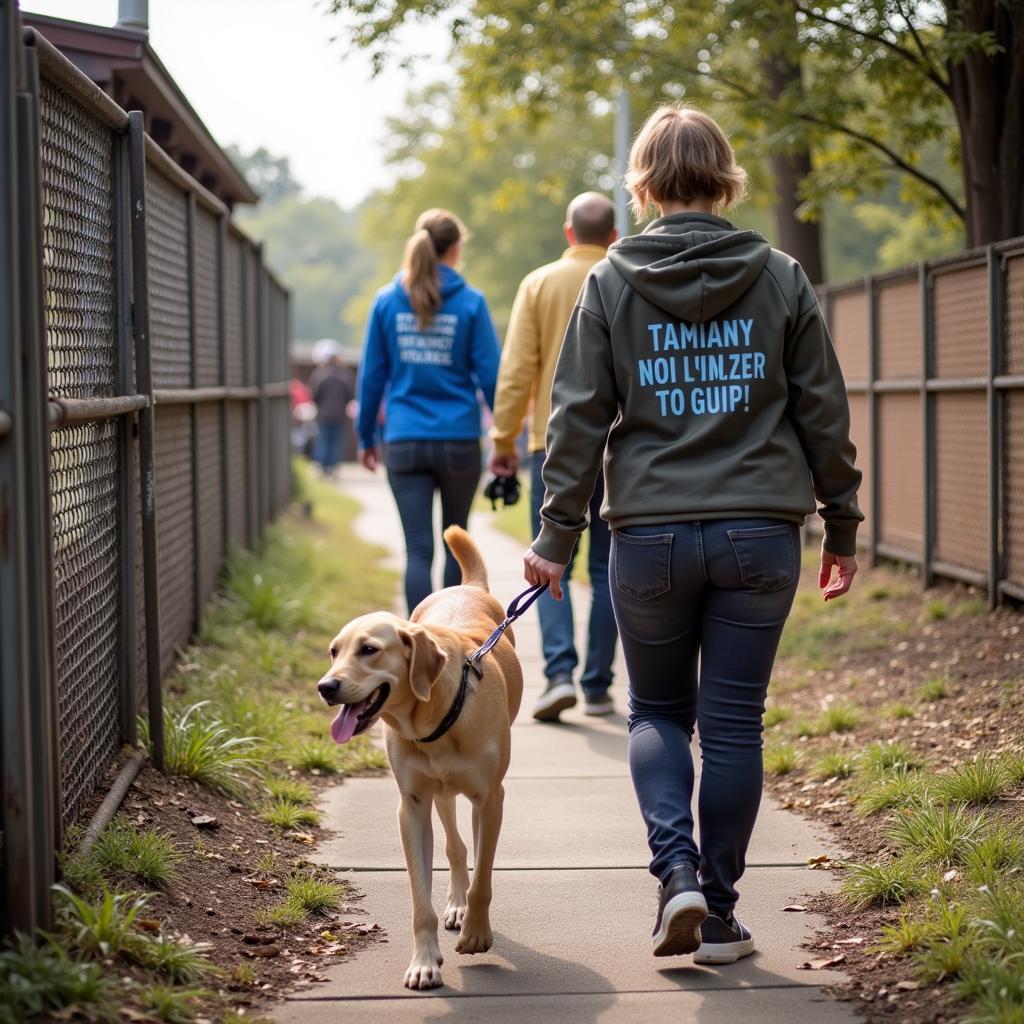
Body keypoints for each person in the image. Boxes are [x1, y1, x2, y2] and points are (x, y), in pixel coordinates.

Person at [523, 105, 862, 963]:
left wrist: (556, 538)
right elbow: (823, 409)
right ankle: (717, 911)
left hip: (648, 538)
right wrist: (842, 522)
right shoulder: (780, 275)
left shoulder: (607, 282)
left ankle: (673, 873)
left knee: (659, 715)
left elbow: (577, 420)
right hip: (759, 535)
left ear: (642, 183)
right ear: (726, 177)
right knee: (736, 724)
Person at [489, 193, 620, 721]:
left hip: (553, 445)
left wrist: (503, 441)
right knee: (611, 568)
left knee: (548, 562)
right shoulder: (627, 275)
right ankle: (597, 684)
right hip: (619, 446)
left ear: (569, 232)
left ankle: (559, 673)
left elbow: (518, 367)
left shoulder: (539, 283)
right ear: (612, 235)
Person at [357, 209, 500, 614]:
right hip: (458, 441)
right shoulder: (471, 303)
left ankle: (418, 645)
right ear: (455, 249)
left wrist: (366, 437)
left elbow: (371, 377)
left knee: (417, 551)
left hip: (404, 439)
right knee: (456, 548)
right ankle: (450, 640)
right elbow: (491, 376)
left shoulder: (386, 302)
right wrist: (505, 436)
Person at [309, 343, 355, 476]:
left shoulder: (319, 374)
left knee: (323, 440)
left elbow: (314, 395)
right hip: (340, 414)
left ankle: (322, 466)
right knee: (336, 441)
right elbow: (350, 395)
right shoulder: (346, 374)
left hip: (323, 414)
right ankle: (333, 467)